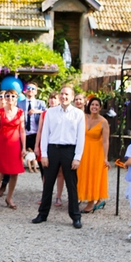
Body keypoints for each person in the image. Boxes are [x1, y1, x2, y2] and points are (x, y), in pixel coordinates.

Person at [32, 85, 86, 229]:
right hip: (53, 149)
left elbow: (81, 137)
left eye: (67, 94)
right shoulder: (50, 112)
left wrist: (77, 157)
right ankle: (42, 214)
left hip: (69, 150)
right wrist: (44, 154)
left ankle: (75, 216)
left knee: (71, 185)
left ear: (72, 97)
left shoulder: (78, 114)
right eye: (62, 94)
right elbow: (45, 134)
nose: (64, 97)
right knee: (48, 183)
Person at [0, 88, 26, 213]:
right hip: (2, 144)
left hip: (15, 144)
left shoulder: (20, 112)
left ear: (16, 99)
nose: (10, 98)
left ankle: (9, 198)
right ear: (5, 98)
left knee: (14, 174)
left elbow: (22, 130)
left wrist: (24, 147)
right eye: (8, 96)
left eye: (13, 96)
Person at [78, 96, 110, 213]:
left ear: (100, 107)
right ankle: (84, 197)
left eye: (97, 105)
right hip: (84, 151)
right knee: (83, 174)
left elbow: (106, 141)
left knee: (93, 176)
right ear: (89, 106)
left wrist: (105, 158)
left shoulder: (103, 122)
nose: (94, 107)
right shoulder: (83, 117)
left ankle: (91, 202)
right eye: (92, 105)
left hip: (97, 152)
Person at [35, 92, 65, 206]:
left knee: (60, 173)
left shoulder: (63, 113)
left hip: (58, 145)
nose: (52, 100)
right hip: (46, 144)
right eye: (51, 98)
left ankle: (58, 196)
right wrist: (37, 146)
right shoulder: (45, 113)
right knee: (46, 172)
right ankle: (46, 195)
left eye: (55, 98)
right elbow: (40, 130)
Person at [20, 82, 47, 154]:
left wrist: (37, 111)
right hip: (23, 136)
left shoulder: (41, 103)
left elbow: (48, 113)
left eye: (33, 89)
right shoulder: (19, 103)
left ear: (36, 92)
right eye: (28, 88)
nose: (30, 90)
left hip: (36, 136)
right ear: (25, 91)